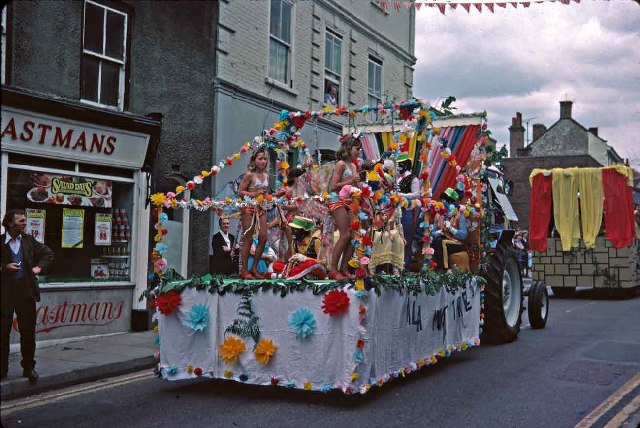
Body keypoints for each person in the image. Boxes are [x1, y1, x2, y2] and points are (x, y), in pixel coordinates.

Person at [1, 209, 54, 381]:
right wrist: (4, 268)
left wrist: (38, 268)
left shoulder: (29, 240)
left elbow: (48, 253)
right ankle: (2, 370)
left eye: (25, 220)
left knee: (28, 332)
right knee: (2, 332)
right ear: (10, 223)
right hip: (5, 292)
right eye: (21, 220)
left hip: (25, 291)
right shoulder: (1, 242)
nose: (25, 222)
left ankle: (29, 367)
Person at [328, 136, 361, 280]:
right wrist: (351, 181)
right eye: (357, 149)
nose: (359, 152)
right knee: (345, 235)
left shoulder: (353, 166)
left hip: (349, 202)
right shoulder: (341, 164)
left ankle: (344, 268)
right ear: (348, 148)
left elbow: (352, 186)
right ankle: (333, 269)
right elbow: (333, 186)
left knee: (353, 236)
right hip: (337, 201)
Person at [237, 147, 270, 280]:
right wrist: (253, 194)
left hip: (261, 208)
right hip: (248, 208)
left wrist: (272, 197)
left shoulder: (266, 176)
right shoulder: (249, 175)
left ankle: (254, 268)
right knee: (248, 239)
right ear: (254, 160)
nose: (263, 161)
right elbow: (240, 192)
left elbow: (266, 193)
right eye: (260, 159)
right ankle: (244, 270)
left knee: (263, 237)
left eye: (265, 159)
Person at [430, 188, 468, 270]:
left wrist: (451, 229)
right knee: (436, 240)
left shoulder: (459, 216)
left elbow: (464, 235)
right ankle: (436, 267)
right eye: (443, 200)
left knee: (441, 242)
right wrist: (439, 231)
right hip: (443, 239)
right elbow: (432, 232)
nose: (444, 203)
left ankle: (444, 269)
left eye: (446, 200)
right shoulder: (440, 216)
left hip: (457, 242)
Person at [396, 152, 420, 269]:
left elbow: (417, 194)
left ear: (404, 165)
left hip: (407, 209)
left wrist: (401, 195)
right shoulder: (398, 178)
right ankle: (396, 262)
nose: (397, 167)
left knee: (406, 235)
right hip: (397, 209)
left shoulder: (413, 177)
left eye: (399, 165)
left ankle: (406, 263)